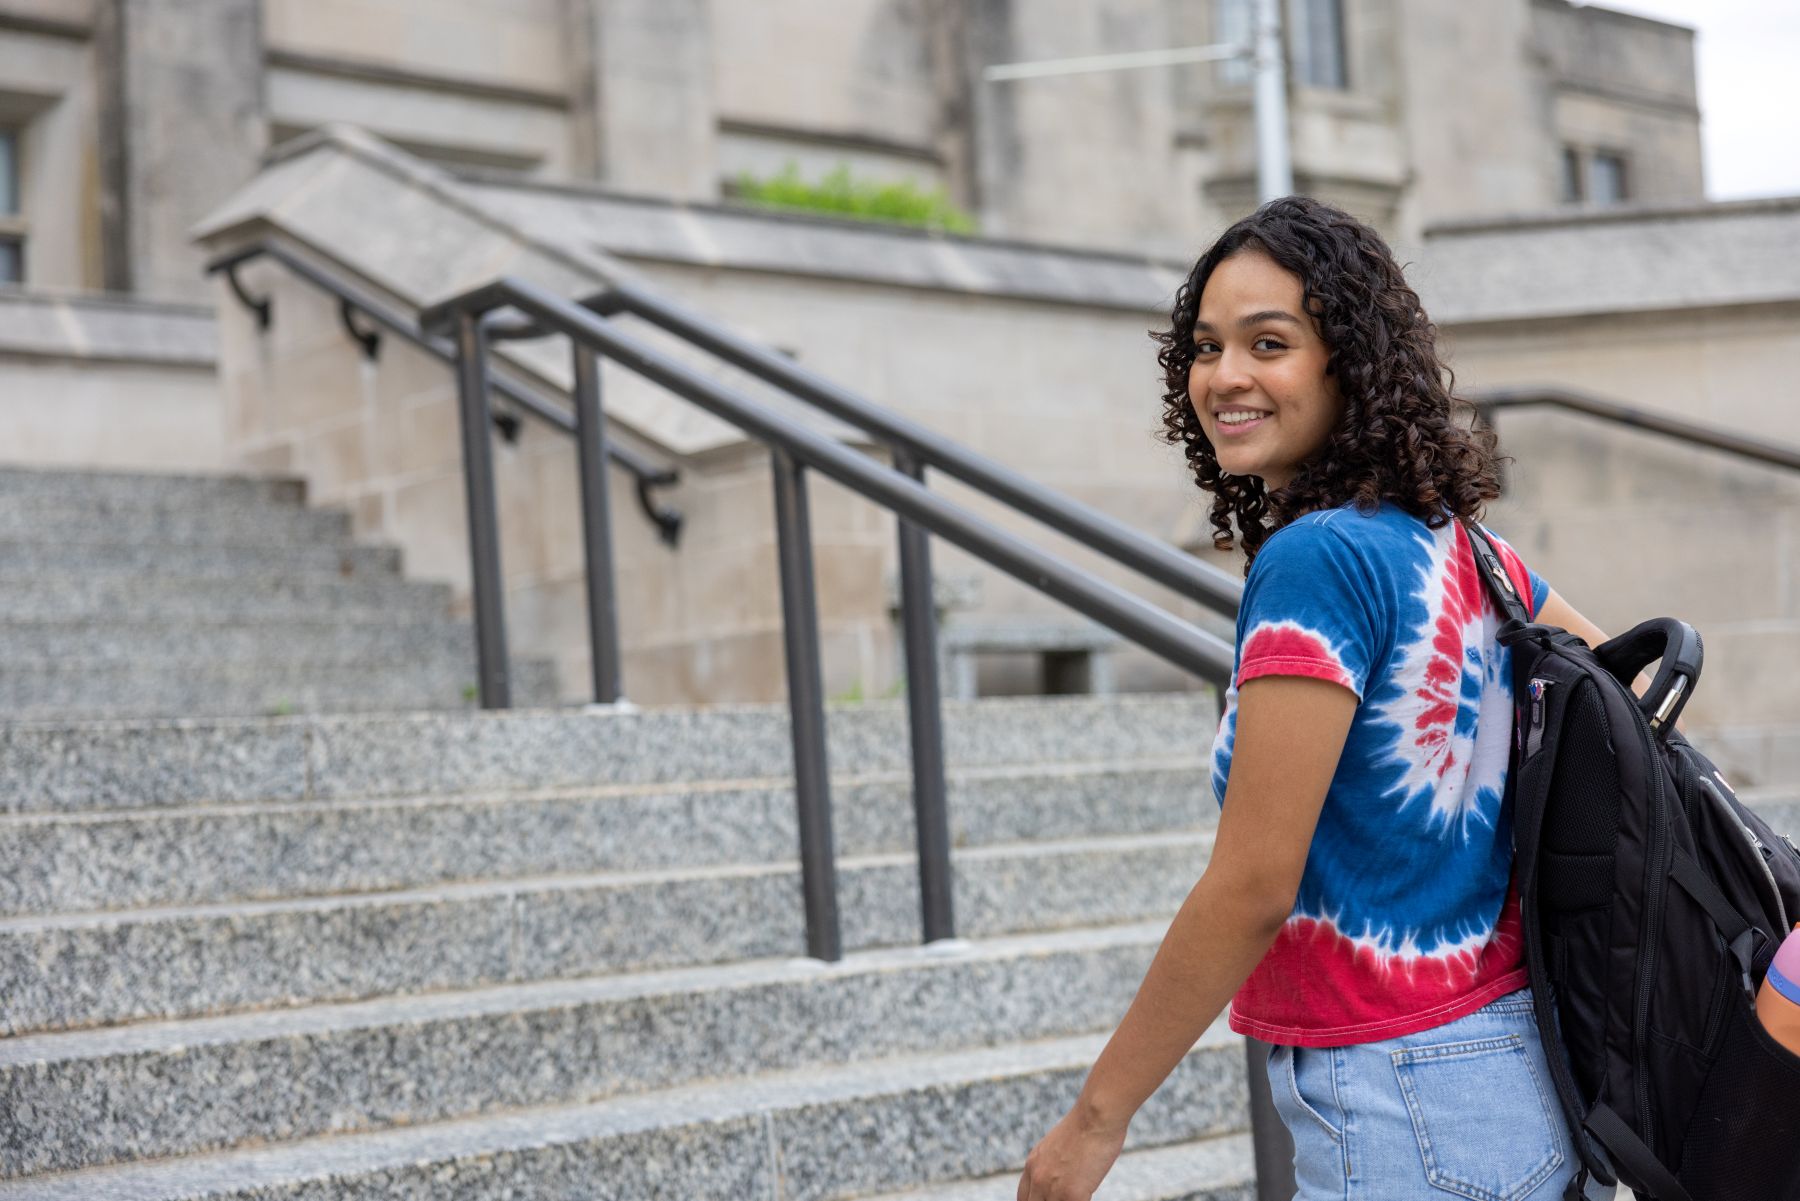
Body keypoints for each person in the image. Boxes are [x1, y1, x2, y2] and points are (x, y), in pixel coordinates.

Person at [1015, 196, 1624, 1201]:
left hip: (1400, 1102)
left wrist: (1094, 1123)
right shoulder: (1468, 550)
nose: (1226, 376)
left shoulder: (1316, 562)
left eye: (1270, 342)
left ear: (1348, 358)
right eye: (1207, 347)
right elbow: (1626, 694)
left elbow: (1255, 884)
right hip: (1527, 1071)